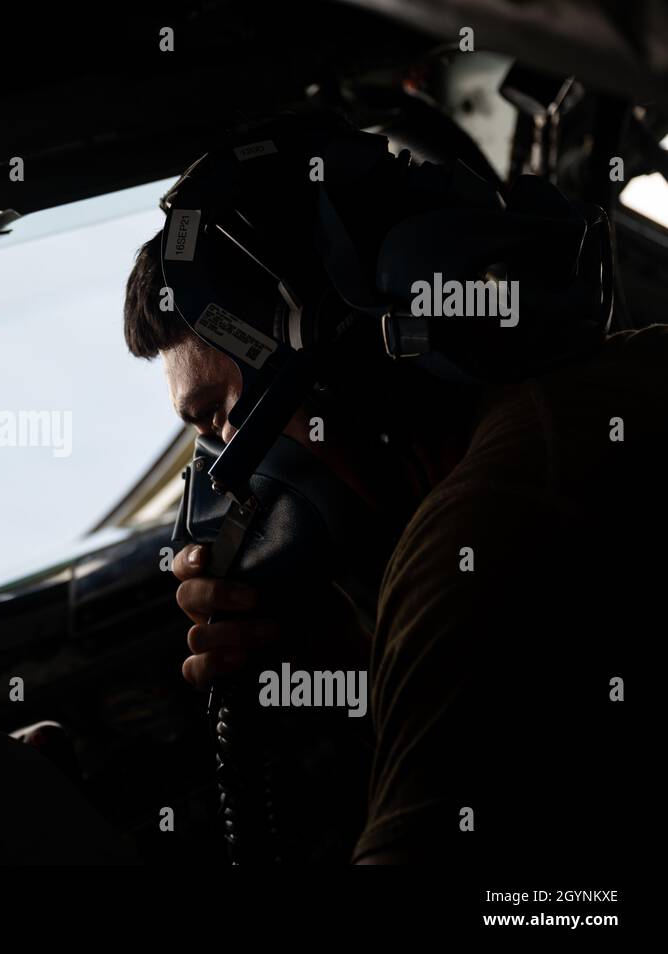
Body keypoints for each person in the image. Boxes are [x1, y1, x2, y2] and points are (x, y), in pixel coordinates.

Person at [122, 112, 660, 863]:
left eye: (214, 415)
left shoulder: (469, 552)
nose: (217, 465)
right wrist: (360, 659)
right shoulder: (623, 375)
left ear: (335, 362)